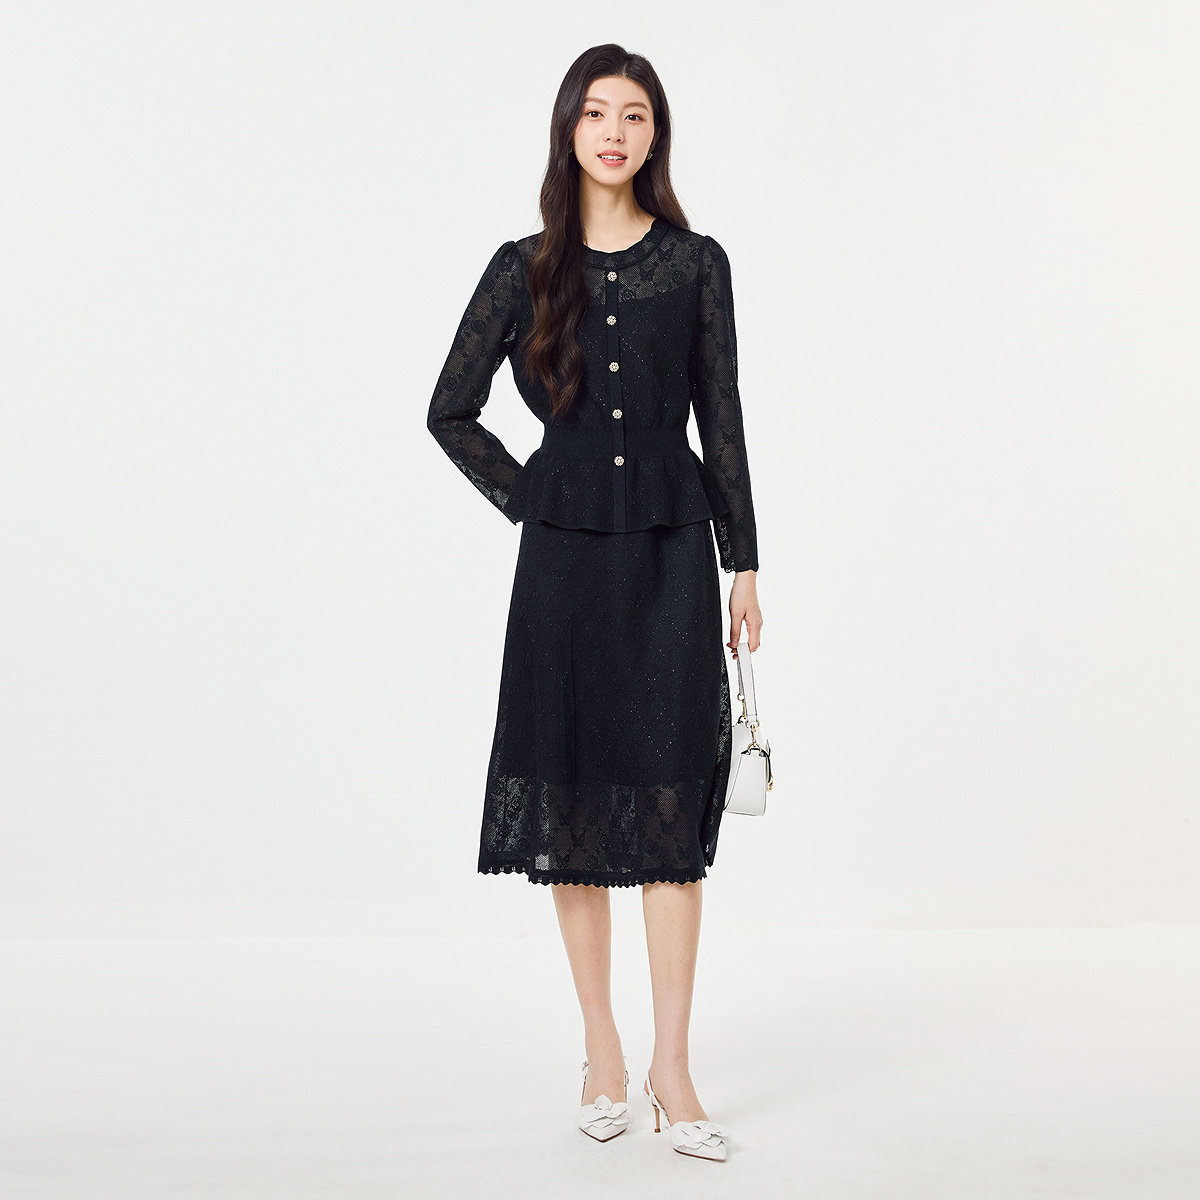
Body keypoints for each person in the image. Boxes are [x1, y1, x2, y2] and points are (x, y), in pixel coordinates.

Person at [426, 44, 762, 1162]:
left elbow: (722, 414)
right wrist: (534, 493)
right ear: (568, 129)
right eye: (596, 113)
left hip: (671, 555)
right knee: (573, 806)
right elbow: (449, 408)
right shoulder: (523, 269)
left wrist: (744, 561)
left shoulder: (696, 264)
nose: (615, 133)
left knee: (671, 811)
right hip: (563, 569)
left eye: (636, 116)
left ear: (655, 136)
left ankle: (674, 1066)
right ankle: (603, 1050)